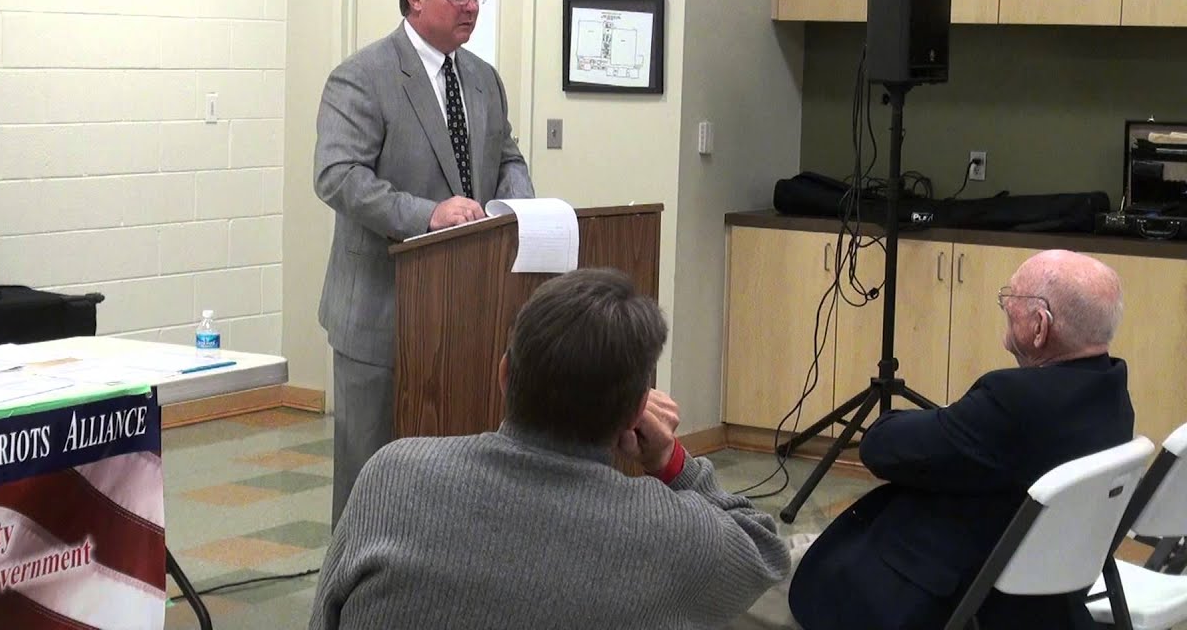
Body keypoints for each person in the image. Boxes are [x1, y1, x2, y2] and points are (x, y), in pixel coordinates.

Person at [307, 268, 791, 630]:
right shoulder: (672, 533)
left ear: (504, 374)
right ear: (635, 413)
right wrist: (671, 461)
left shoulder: (391, 473)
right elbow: (766, 553)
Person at [788, 249, 1133, 630]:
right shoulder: (1111, 392)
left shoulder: (1012, 402)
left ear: (1040, 326)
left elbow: (880, 447)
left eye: (1012, 298)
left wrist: (948, 417)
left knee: (770, 573)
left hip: (936, 593)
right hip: (1037, 594)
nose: (1005, 305)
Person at [314, 0, 534, 525]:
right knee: (370, 478)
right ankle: (354, 580)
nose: (472, 7)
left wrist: (516, 208)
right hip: (382, 312)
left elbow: (506, 156)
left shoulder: (483, 79)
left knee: (454, 474)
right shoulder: (363, 77)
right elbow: (338, 176)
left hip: (466, 312)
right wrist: (427, 216)